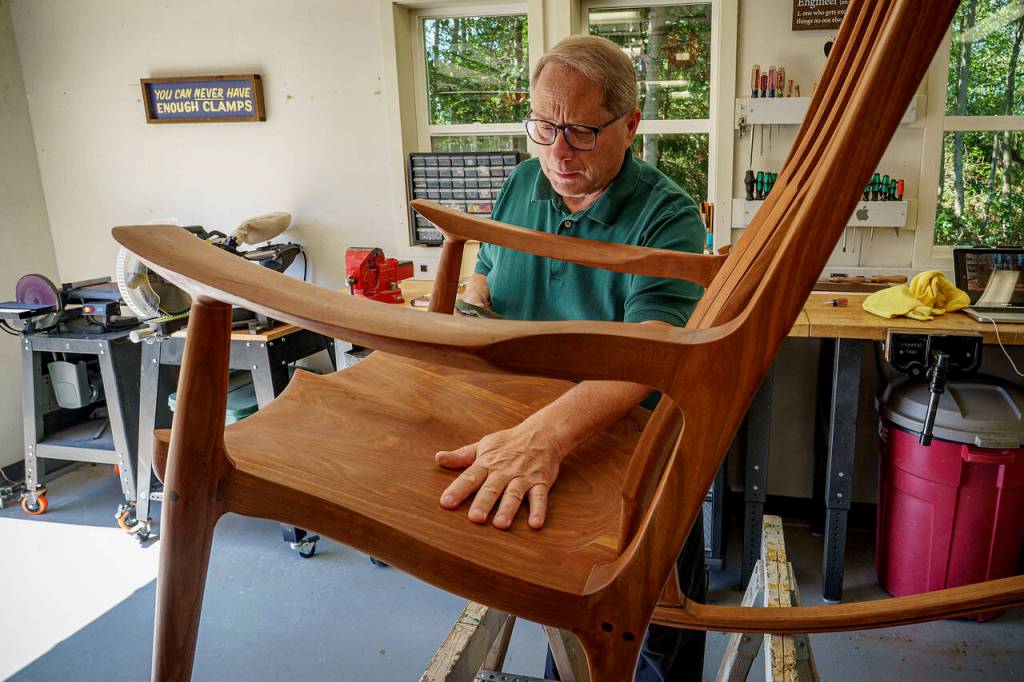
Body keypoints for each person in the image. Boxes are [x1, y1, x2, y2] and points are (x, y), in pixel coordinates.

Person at [434, 34, 707, 681]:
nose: (557, 151)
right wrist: (465, 323)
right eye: (544, 126)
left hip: (629, 448)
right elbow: (486, 282)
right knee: (560, 615)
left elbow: (647, 357)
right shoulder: (524, 182)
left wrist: (545, 438)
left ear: (630, 125)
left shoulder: (668, 217)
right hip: (525, 427)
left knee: (643, 629)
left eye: (581, 132)